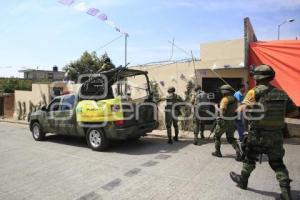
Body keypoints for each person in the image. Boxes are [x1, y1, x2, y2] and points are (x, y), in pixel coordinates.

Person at [230, 64, 299, 200]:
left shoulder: (253, 92)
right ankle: (286, 193)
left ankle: (243, 181)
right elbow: (295, 111)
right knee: (278, 163)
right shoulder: (282, 93)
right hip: (276, 135)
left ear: (257, 78)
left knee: (250, 158)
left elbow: (241, 110)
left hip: (258, 135)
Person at [212, 84, 242, 161]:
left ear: (224, 92)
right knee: (230, 138)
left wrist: (216, 107)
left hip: (223, 121)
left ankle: (217, 152)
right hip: (232, 121)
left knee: (217, 136)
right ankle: (238, 152)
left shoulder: (225, 100)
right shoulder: (235, 99)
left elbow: (222, 112)